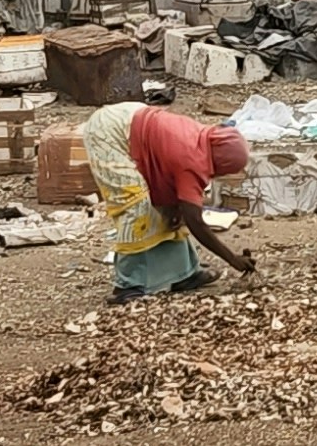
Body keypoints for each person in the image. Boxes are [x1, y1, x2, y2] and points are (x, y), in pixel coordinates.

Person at [76, 99, 255, 300]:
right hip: (107, 133)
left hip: (130, 120)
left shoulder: (203, 138)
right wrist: (232, 259)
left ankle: (183, 274)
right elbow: (196, 222)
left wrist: (175, 208)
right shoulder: (193, 161)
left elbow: (172, 180)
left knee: (169, 213)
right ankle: (127, 284)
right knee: (136, 205)